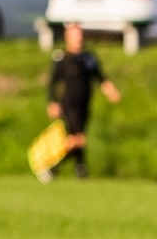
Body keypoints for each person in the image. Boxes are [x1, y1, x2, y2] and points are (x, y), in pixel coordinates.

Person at [41, 23, 121, 181]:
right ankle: (52, 167)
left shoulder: (88, 58)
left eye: (80, 35)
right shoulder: (61, 58)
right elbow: (53, 82)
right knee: (77, 139)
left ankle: (80, 168)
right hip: (69, 104)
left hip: (84, 103)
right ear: (67, 37)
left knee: (78, 138)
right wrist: (53, 102)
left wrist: (111, 91)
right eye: (75, 35)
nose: (78, 38)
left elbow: (100, 77)